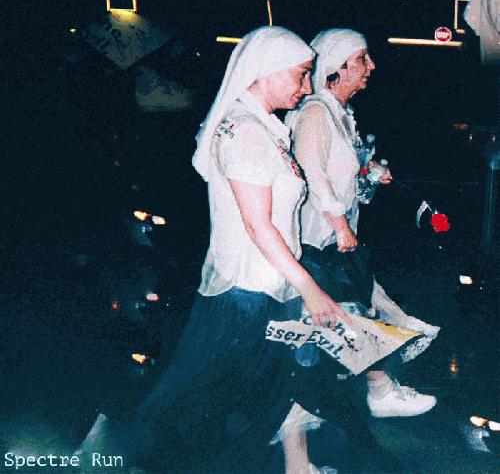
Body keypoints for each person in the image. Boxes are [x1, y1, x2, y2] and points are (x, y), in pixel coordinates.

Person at [129, 25, 355, 473]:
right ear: (265, 71)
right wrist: (309, 288)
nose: (306, 85)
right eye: (300, 74)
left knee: (273, 387)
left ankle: (296, 467)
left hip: (269, 283)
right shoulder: (246, 131)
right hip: (247, 291)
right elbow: (257, 225)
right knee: (213, 401)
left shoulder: (263, 127)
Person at [285, 28, 440, 419]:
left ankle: (364, 395)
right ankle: (378, 390)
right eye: (362, 59)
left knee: (344, 325)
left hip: (334, 242)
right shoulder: (316, 112)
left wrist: (367, 174)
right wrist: (339, 224)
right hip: (317, 243)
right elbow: (311, 173)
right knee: (352, 318)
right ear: (336, 67)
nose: (371, 66)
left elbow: (342, 176)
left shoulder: (341, 115)